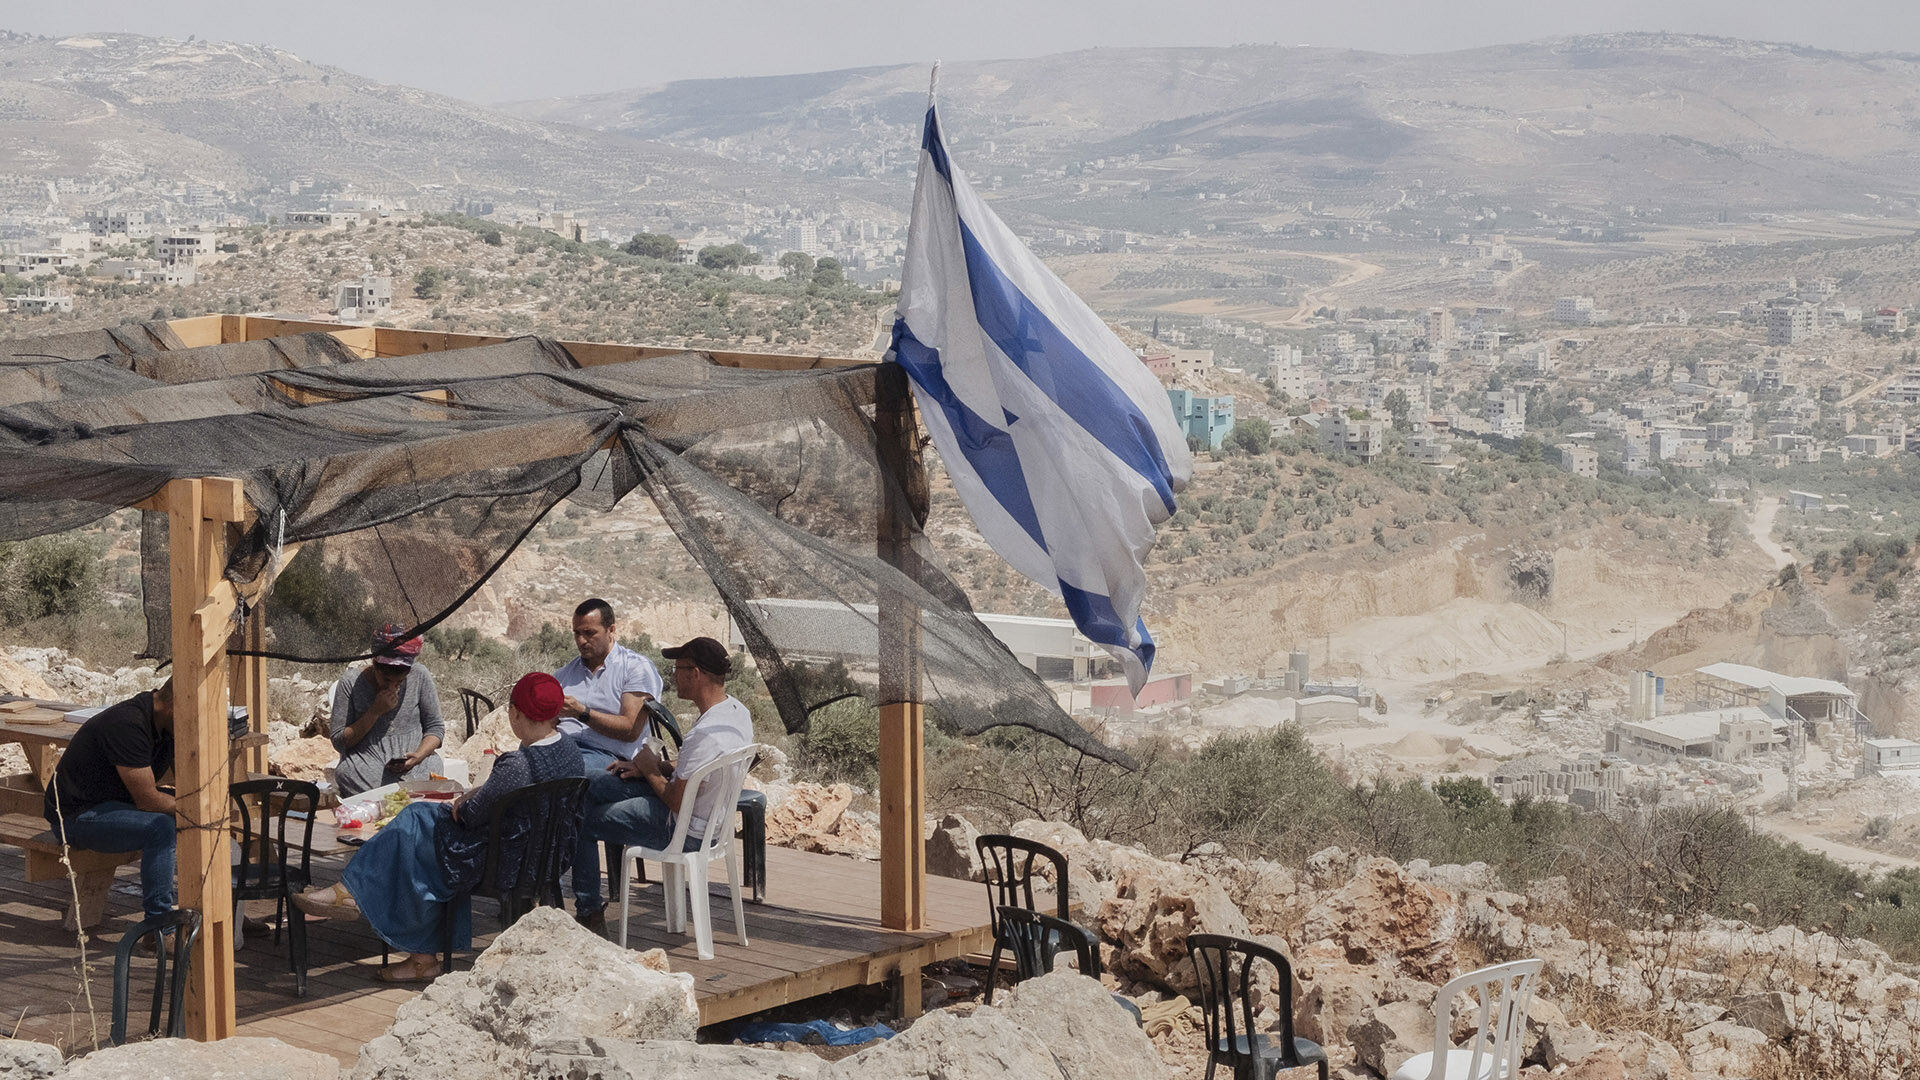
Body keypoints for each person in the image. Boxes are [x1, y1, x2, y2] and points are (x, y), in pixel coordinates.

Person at [294, 672, 585, 982]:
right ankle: (375, 916)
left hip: (503, 862)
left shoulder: (517, 765)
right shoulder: (569, 751)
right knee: (417, 829)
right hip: (545, 859)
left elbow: (471, 815)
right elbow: (499, 799)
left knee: (415, 831)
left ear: (514, 713)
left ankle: (355, 896)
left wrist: (463, 803)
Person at [579, 636, 754, 930]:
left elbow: (675, 800)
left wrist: (648, 768)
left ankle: (588, 912)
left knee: (579, 817)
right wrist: (651, 766)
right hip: (711, 821)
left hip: (684, 829)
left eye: (678, 668)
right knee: (596, 784)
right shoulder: (735, 713)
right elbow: (702, 767)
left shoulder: (706, 732)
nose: (673, 675)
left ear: (695, 674)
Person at [552, 598, 663, 927]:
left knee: (570, 788)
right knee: (527, 778)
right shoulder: (565, 675)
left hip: (616, 763)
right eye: (577, 634)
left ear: (611, 630)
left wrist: (582, 712)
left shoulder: (634, 667)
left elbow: (630, 730)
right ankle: (556, 897)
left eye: (590, 632)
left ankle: (581, 904)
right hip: (568, 753)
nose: (582, 641)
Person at [43, 680, 177, 922]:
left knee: (213, 814)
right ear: (173, 706)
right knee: (162, 827)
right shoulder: (128, 724)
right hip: (77, 817)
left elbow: (194, 783)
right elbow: (148, 800)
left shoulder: (167, 725)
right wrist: (196, 809)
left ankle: (231, 914)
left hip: (115, 805)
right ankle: (159, 927)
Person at [329, 624, 444, 799]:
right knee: (347, 772)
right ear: (374, 664)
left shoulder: (420, 675)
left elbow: (435, 728)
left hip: (416, 765)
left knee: (433, 765)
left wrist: (418, 756)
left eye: (399, 682)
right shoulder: (350, 683)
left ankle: (400, 799)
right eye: (386, 679)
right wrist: (374, 712)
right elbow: (339, 741)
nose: (391, 687)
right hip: (368, 766)